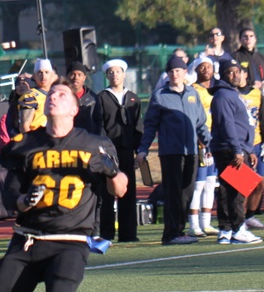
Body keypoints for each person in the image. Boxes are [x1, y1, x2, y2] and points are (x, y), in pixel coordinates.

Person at [0, 78, 128, 292]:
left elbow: (120, 188)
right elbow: (11, 194)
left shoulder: (93, 144)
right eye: (51, 93)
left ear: (74, 109)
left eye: (62, 94)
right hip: (27, 238)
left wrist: (111, 172)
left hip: (70, 240)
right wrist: (24, 201)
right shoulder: (27, 143)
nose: (54, 97)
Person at [137, 55, 210, 245]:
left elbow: (201, 124)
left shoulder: (193, 93)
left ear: (185, 72)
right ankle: (170, 233)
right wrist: (143, 148)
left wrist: (210, 143)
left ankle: (180, 229)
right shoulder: (160, 95)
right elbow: (150, 125)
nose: (175, 74)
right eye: (171, 71)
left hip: (191, 151)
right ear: (167, 74)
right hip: (170, 152)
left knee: (188, 191)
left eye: (178, 70)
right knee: (173, 193)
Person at [209, 58, 262, 245]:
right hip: (230, 149)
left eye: (237, 71)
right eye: (230, 72)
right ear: (223, 75)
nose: (234, 75)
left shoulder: (232, 93)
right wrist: (238, 150)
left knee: (229, 191)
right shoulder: (224, 95)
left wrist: (248, 148)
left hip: (236, 147)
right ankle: (237, 228)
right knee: (237, 191)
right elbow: (227, 125)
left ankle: (226, 230)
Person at [93, 58, 142, 242]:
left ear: (124, 74)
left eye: (118, 71)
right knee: (108, 194)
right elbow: (99, 125)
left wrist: (139, 151)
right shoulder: (102, 97)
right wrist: (103, 149)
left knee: (128, 193)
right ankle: (106, 234)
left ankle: (128, 234)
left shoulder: (133, 98)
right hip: (108, 153)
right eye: (111, 72)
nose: (114, 75)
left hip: (127, 151)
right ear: (107, 75)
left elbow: (138, 126)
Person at [188, 55, 218, 237]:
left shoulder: (218, 88)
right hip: (201, 141)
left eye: (209, 66)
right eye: (202, 67)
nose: (205, 70)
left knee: (210, 182)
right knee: (198, 183)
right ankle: (193, 224)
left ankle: (206, 223)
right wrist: (199, 138)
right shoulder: (193, 90)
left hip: (216, 140)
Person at [237, 66, 264, 231]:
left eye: (239, 72)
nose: (236, 75)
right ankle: (239, 218)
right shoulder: (230, 93)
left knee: (260, 183)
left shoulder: (256, 93)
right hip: (241, 144)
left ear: (245, 74)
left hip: (256, 143)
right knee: (243, 185)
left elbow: (263, 118)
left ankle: (250, 216)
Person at [20, 59, 59, 133]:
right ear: (34, 76)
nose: (43, 76)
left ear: (51, 75)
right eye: (40, 73)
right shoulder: (30, 96)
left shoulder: (56, 94)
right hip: (38, 139)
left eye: (46, 72)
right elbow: (24, 126)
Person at [66, 61, 98, 133]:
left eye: (79, 75)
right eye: (72, 74)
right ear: (67, 76)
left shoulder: (93, 99)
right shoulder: (62, 97)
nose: (76, 78)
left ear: (84, 78)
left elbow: (98, 122)